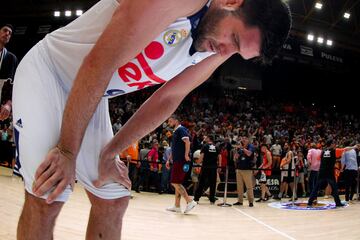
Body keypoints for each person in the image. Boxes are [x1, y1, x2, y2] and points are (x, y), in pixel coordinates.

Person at [13, 0, 292, 238]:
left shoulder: (219, 48)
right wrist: (66, 150)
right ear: (231, 1)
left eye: (237, 52)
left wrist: (111, 152)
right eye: (234, 39)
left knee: (113, 198)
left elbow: (168, 98)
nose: (225, 51)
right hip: (50, 73)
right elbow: (98, 62)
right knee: (48, 193)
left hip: (91, 94)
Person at [307, 140, 358, 207]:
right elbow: (345, 149)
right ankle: (338, 203)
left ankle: (309, 202)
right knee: (334, 188)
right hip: (329, 172)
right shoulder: (334, 151)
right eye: (334, 143)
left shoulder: (323, 151)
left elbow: (318, 158)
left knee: (316, 187)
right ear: (331, 144)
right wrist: (353, 147)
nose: (335, 144)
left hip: (322, 171)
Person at [166, 114, 197, 213]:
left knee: (175, 182)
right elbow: (174, 147)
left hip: (181, 160)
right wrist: (169, 159)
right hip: (176, 160)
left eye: (170, 121)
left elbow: (187, 142)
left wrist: (186, 155)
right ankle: (177, 206)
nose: (169, 123)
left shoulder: (181, 129)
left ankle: (190, 201)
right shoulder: (176, 131)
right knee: (177, 183)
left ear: (176, 121)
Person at [194, 135, 221, 204]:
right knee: (213, 184)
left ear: (209, 139)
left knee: (201, 183)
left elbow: (202, 156)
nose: (205, 139)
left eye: (206, 138)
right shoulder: (216, 147)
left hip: (205, 167)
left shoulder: (205, 146)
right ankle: (212, 200)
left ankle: (196, 199)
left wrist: (198, 164)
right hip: (213, 168)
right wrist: (219, 166)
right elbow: (219, 156)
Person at [0, 24, 18, 121]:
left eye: (10, 33)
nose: (7, 34)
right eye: (5, 30)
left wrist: (9, 104)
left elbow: (14, 85)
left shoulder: (12, 58)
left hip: (2, 107)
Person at [233, 136, 256, 207]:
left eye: (245, 138)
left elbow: (249, 153)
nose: (243, 140)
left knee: (249, 187)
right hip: (239, 169)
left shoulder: (250, 146)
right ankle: (240, 201)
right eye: (242, 138)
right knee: (239, 187)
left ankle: (251, 202)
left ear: (248, 140)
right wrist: (236, 150)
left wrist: (242, 148)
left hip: (247, 170)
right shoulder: (240, 148)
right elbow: (235, 158)